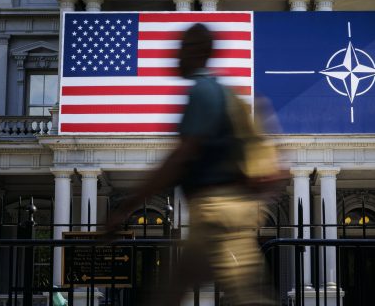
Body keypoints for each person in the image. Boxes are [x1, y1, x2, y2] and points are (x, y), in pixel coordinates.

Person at [106, 23, 275, 306]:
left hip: (214, 213)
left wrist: (126, 206)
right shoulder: (224, 94)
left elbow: (180, 158)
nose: (177, 55)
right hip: (234, 213)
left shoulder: (203, 93)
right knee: (228, 294)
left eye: (183, 48)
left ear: (198, 51)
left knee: (176, 294)